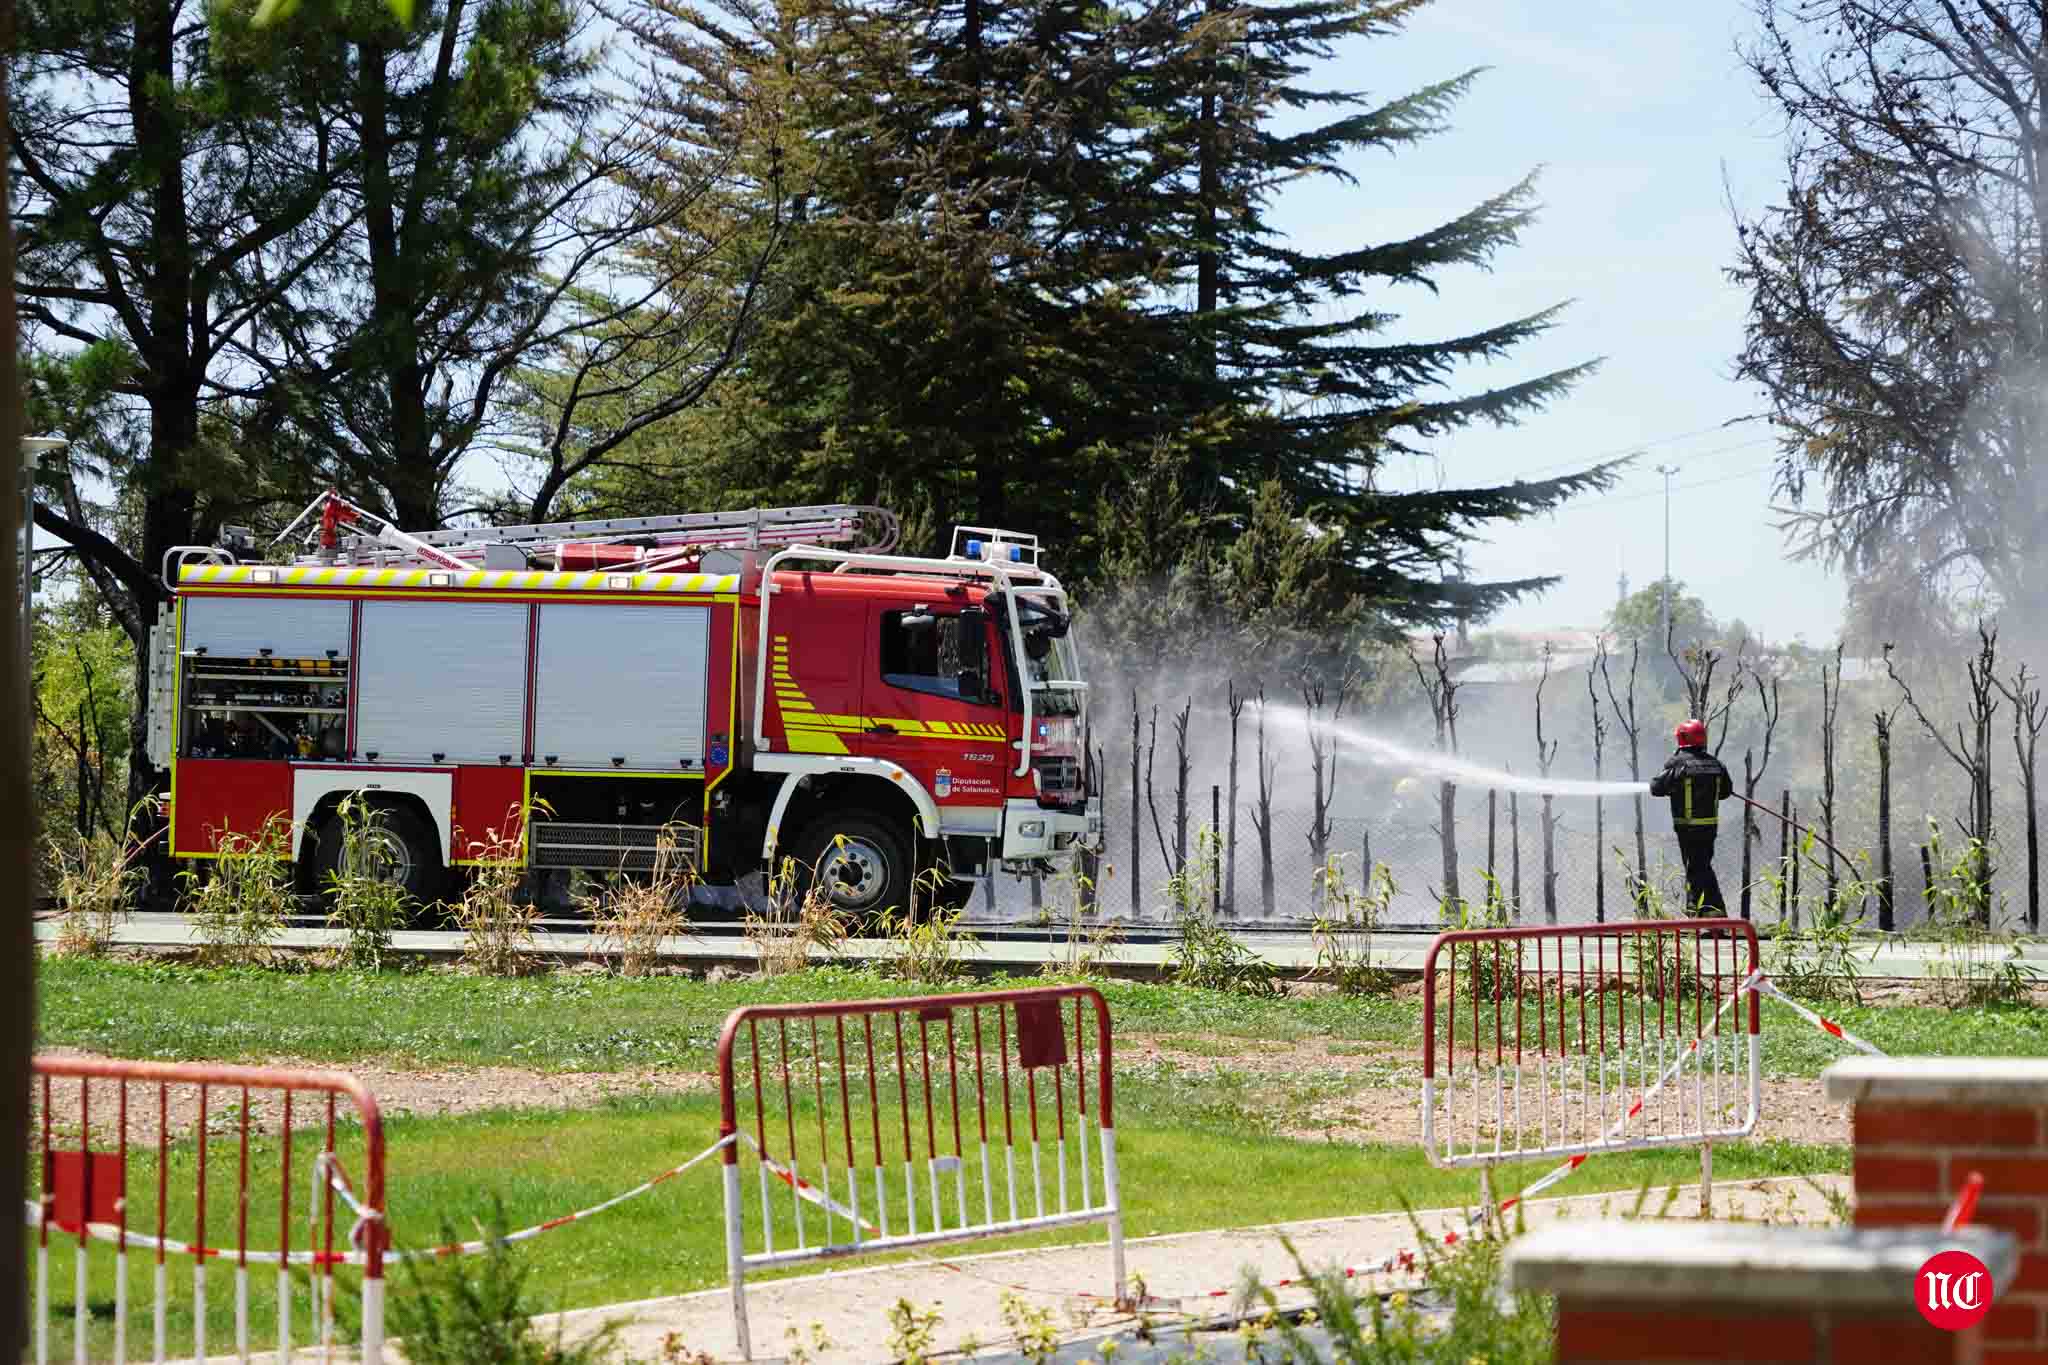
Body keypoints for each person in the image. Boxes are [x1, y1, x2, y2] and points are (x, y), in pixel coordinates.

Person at [1649, 717, 1732, 914]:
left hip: (1687, 827)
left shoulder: (1678, 763)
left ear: (1682, 739)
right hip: (1709, 827)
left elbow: (1656, 788)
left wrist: (1675, 787)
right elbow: (1726, 792)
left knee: (1696, 869)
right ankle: (1701, 912)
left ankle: (1710, 913)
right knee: (1701, 866)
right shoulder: (1716, 764)